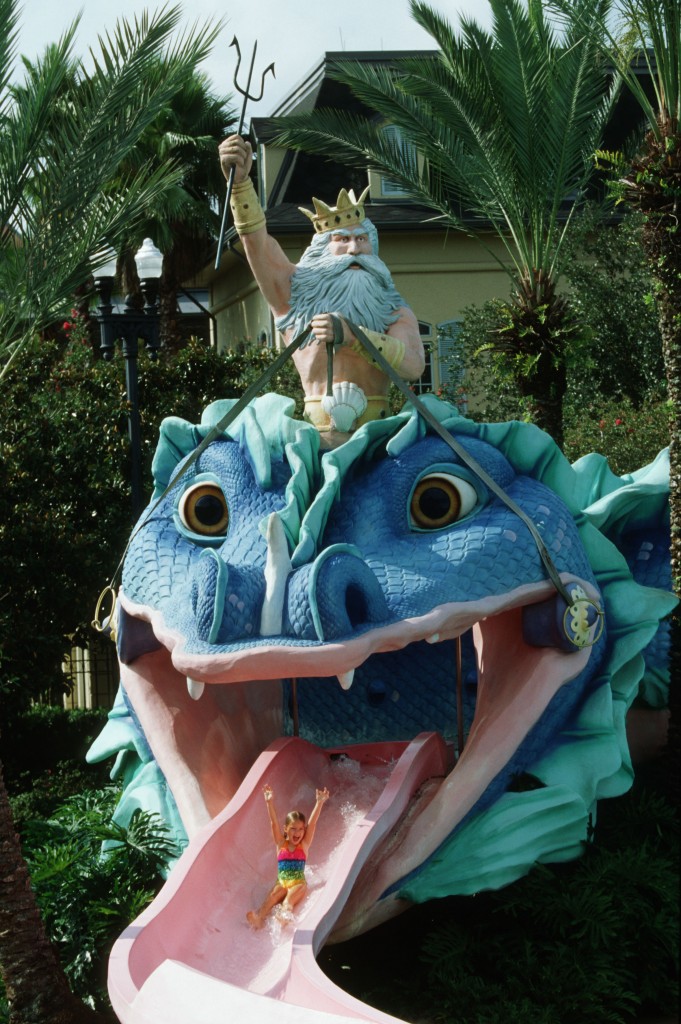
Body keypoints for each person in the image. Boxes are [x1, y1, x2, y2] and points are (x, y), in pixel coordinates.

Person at [218, 134, 425, 439]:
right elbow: (258, 244)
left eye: (362, 240)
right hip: (311, 440)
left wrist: (354, 334)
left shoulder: (393, 311)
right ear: (321, 251)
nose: (355, 250)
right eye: (342, 240)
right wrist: (239, 186)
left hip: (379, 441)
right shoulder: (292, 298)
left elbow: (413, 365)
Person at [246, 783, 330, 929]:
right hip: (282, 882)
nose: (297, 833)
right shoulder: (280, 844)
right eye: (293, 829)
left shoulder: (303, 845)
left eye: (300, 829)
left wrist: (319, 802)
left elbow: (313, 824)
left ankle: (284, 916)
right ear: (285, 829)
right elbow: (273, 823)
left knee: (288, 900)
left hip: (298, 883)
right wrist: (269, 802)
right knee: (271, 897)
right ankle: (259, 918)